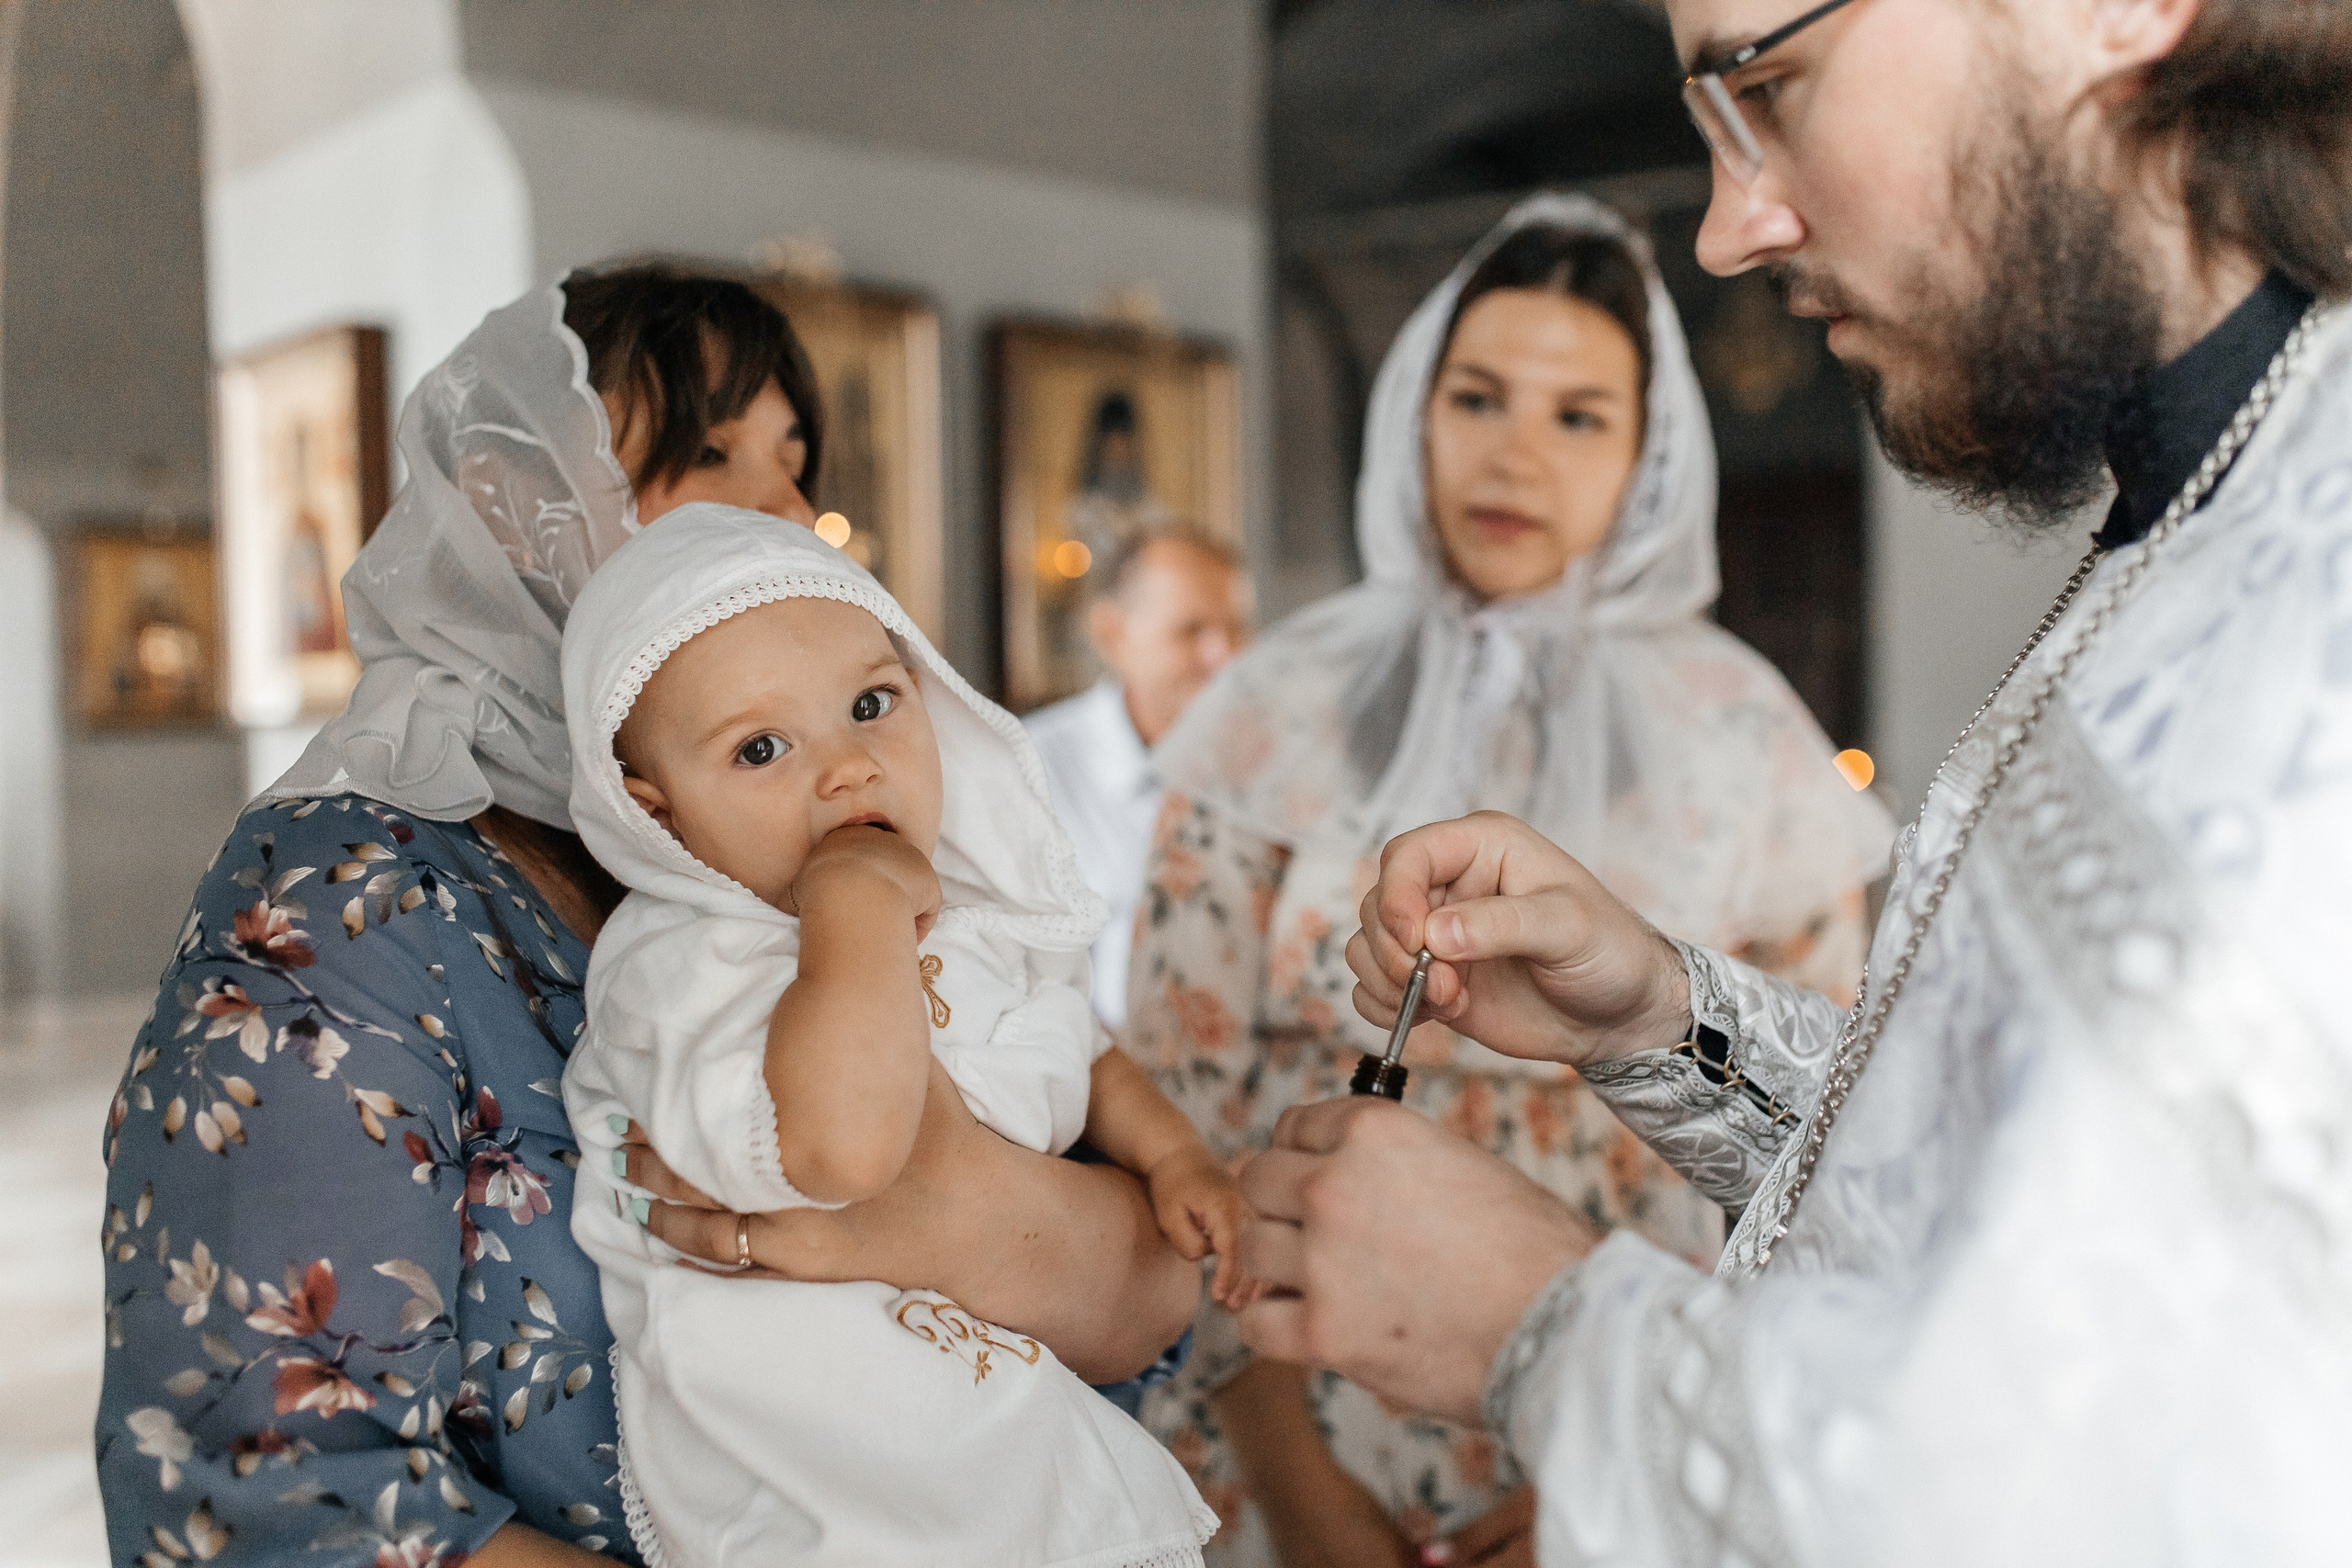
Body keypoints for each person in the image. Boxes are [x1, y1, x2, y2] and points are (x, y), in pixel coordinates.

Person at [1241, 3, 2352, 1564]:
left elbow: (2075, 1487)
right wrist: (1659, 1019)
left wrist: (1545, 1322)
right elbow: (2007, 1196)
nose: (1727, 228)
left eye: (1769, 84)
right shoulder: (2197, 514)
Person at [95, 267, 1200, 1568]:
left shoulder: (849, 844)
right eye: (712, 452)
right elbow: (262, 1491)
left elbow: (1156, 1294)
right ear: (522, 508)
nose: (792, 513)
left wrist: (953, 1206)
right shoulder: (343, 901)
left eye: (798, 458)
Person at [1130, 194, 1892, 1566]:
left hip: (1621, 1417)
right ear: (1416, 413)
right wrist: (1295, 1485)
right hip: (1286, 1413)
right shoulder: (1272, 705)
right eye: (1477, 397)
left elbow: (1822, 1155)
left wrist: (1611, 1454)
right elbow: (1177, 1113)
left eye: (1579, 416)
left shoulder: (1749, 734)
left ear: (1648, 458)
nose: (1516, 454)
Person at [560, 506, 1236, 1566]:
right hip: (824, 1490)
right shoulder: (690, 963)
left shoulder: (969, 913)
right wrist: (859, 911)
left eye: (872, 704)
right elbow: (844, 1153)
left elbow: (1077, 1043)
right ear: (658, 816)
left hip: (997, 1432)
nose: (847, 769)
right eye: (761, 748)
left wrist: (1174, 1153)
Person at [1025, 526, 1252, 1028]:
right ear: (1111, 634)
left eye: (1236, 630)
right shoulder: (1029, 774)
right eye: (1191, 631)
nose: (1226, 658)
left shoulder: (1274, 766)